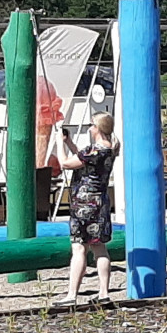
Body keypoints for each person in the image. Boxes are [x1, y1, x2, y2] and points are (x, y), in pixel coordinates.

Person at [54, 112, 120, 306]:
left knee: (79, 247)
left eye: (92, 126)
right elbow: (83, 159)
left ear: (98, 129)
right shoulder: (110, 148)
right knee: (100, 248)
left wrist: (59, 143)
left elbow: (67, 163)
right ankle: (104, 293)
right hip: (100, 203)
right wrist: (70, 143)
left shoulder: (93, 150)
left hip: (83, 204)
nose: (90, 129)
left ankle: (71, 294)